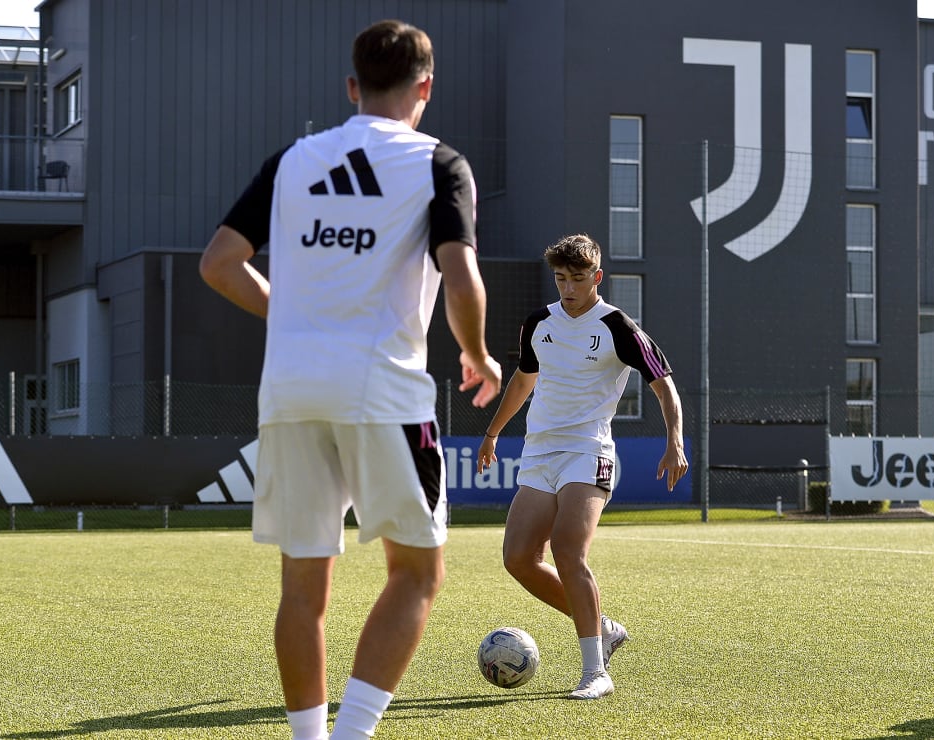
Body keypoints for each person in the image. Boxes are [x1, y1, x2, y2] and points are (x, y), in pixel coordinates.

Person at [199, 18, 502, 740]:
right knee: (417, 575)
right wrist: (479, 353)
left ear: (351, 86)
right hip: (382, 392)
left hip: (290, 393)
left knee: (303, 589)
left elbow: (216, 263)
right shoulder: (439, 163)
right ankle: (353, 734)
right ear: (425, 88)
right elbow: (460, 274)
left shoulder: (293, 160)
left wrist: (288, 314)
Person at [477, 233, 688, 700]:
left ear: (597, 277)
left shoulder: (617, 326)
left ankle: (595, 672)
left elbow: (663, 385)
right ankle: (604, 628)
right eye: (560, 278)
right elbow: (523, 380)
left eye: (576, 278)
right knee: (518, 558)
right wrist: (492, 433)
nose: (567, 288)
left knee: (568, 550)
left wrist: (674, 440)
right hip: (539, 453)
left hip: (588, 450)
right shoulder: (538, 323)